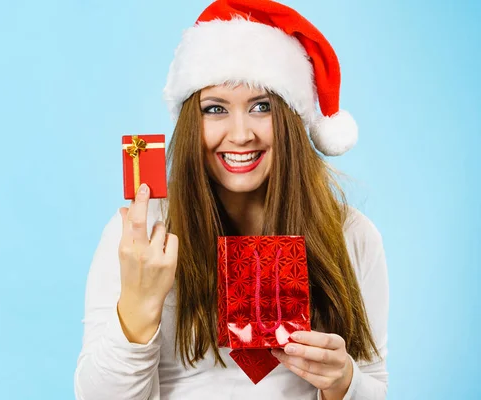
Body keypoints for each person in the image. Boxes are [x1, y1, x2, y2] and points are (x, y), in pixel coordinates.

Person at [74, 0, 389, 399]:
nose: (240, 134)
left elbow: (374, 381)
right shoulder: (140, 240)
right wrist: (138, 306)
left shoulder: (352, 235)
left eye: (262, 107)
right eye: (215, 109)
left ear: (292, 119)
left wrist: (345, 382)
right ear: (191, 122)